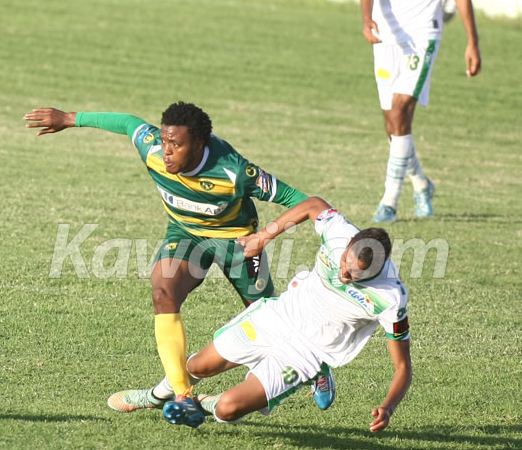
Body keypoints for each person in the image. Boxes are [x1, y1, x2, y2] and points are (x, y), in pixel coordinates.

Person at [24, 103, 334, 425]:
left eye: (177, 145)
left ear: (200, 143)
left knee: (268, 316)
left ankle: (316, 367)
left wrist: (266, 236)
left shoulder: (235, 172)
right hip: (186, 235)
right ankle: (183, 396)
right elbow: (128, 123)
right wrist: (70, 119)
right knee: (163, 291)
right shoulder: (153, 148)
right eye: (165, 141)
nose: (167, 151)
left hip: (237, 241)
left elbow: (300, 201)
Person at [160, 196, 411, 431]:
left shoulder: (390, 298)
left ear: (377, 271)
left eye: (355, 275)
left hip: (307, 352)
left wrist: (388, 407)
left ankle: (201, 406)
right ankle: (158, 395)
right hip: (277, 317)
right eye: (345, 261)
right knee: (198, 367)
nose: (343, 273)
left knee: (228, 410)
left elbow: (403, 367)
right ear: (349, 246)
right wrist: (263, 236)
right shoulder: (340, 233)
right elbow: (313, 204)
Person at [360, 0, 481, 222]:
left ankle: (389, 201)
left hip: (423, 33)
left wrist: (472, 41)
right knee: (392, 124)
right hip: (386, 32)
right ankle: (421, 184)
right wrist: (366, 18)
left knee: (399, 112)